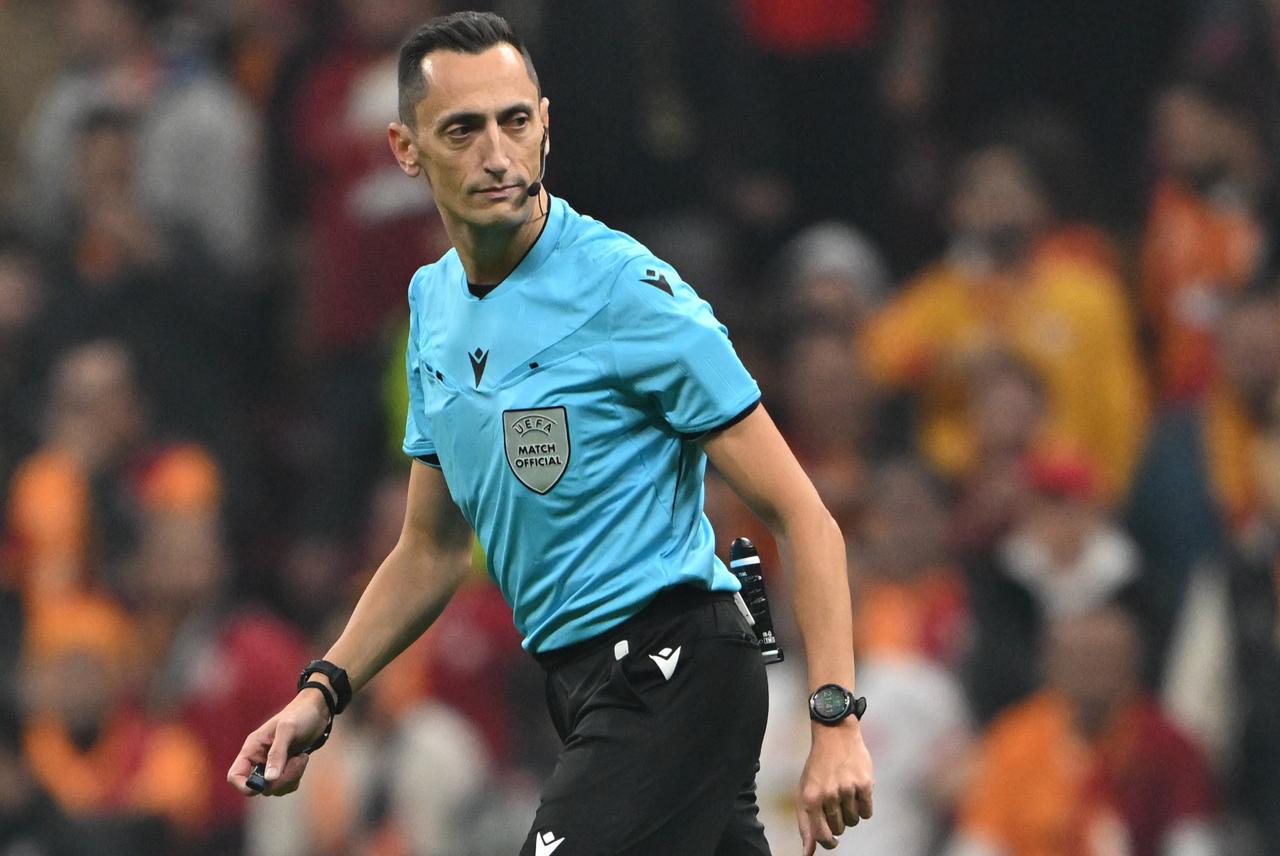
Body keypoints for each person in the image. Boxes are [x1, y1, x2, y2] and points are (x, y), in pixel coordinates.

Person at [227, 12, 874, 856]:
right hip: (577, 684)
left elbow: (805, 516)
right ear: (405, 148)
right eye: (462, 129)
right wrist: (321, 692)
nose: (496, 153)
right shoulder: (431, 308)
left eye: (514, 121)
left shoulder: (628, 292)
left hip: (674, 665)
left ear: (544, 127)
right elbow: (429, 549)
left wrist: (835, 721)